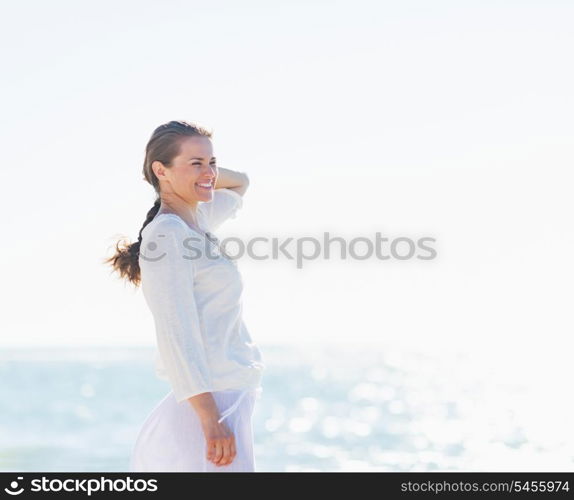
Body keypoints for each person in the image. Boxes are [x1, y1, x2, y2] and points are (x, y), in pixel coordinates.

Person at [104, 120, 265, 472]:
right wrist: (210, 420)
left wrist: (199, 174)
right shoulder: (167, 235)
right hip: (210, 406)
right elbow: (176, 332)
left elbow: (241, 183)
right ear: (161, 170)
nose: (209, 172)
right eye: (196, 163)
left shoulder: (198, 219)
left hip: (228, 397)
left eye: (212, 162)